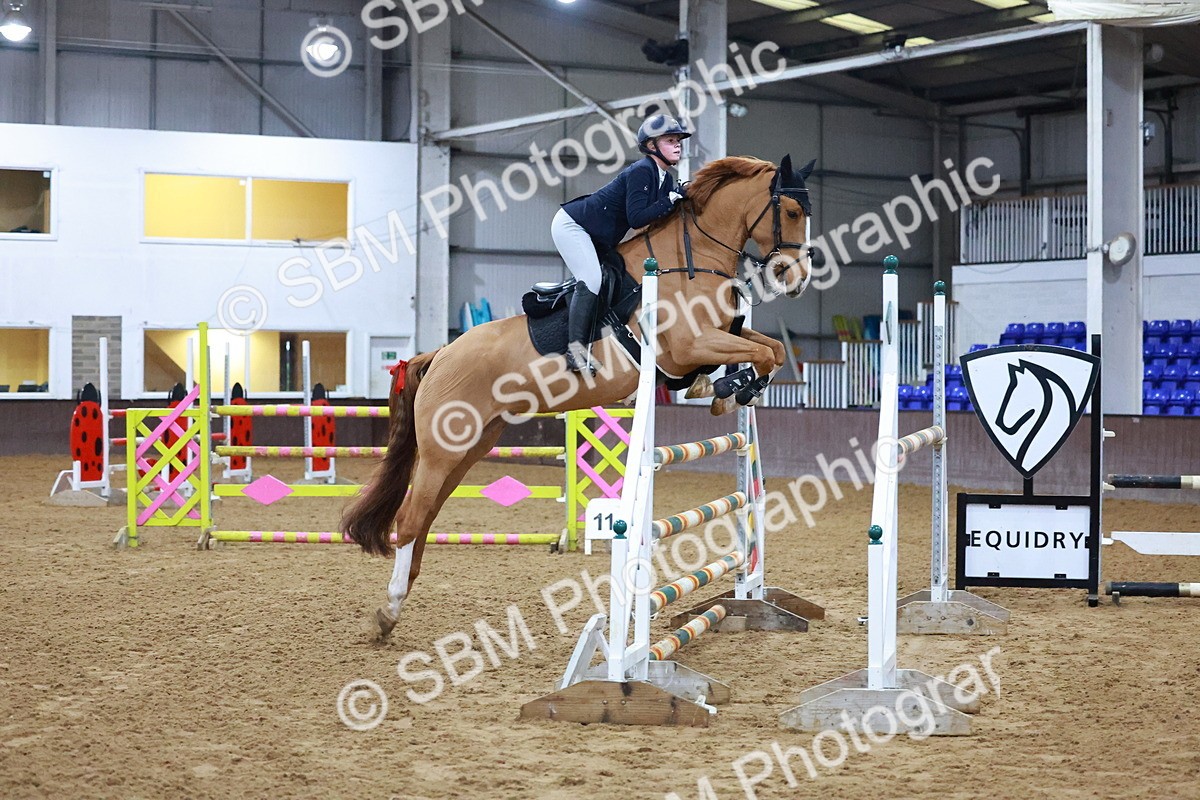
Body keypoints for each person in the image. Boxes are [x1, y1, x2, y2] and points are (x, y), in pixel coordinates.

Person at [551, 114, 691, 372]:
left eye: (678, 140)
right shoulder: (641, 171)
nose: (678, 145)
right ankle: (575, 353)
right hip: (573, 225)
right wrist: (670, 200)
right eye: (670, 140)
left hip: (599, 236)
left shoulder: (666, 179)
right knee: (591, 279)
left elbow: (655, 220)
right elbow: (637, 219)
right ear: (652, 146)